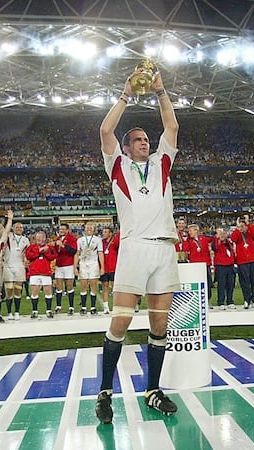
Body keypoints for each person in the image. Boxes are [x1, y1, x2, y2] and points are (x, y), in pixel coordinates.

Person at [95, 68, 179, 423]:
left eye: (148, 139)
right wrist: (126, 94)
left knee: (159, 327)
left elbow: (172, 128)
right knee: (121, 322)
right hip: (133, 247)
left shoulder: (162, 162)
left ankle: (153, 391)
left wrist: (161, 92)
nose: (146, 142)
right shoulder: (118, 166)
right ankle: (104, 393)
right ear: (127, 148)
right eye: (139, 140)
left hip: (163, 249)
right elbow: (104, 131)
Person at [74, 223, 105, 315]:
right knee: (83, 285)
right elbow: (77, 253)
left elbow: (100, 253)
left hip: (93, 264)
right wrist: (75, 267)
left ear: (94, 229)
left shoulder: (98, 240)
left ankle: (93, 307)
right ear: (84, 229)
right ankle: (83, 307)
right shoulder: (80, 240)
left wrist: (102, 267)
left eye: (91, 227)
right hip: (83, 264)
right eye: (87, 227)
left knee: (93, 285)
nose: (89, 229)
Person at [24, 230, 56, 318]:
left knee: (48, 291)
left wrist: (46, 251)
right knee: (34, 291)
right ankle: (34, 311)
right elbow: (29, 256)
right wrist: (40, 250)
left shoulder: (50, 247)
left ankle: (49, 311)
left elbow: (53, 257)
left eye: (40, 237)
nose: (38, 239)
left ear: (44, 238)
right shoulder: (31, 247)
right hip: (34, 273)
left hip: (46, 272)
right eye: (37, 237)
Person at [230, 214, 254, 309]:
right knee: (244, 282)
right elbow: (233, 238)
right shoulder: (238, 233)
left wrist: (248, 223)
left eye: (243, 225)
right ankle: (247, 300)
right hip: (242, 261)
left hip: (253, 259)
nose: (242, 227)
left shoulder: (250, 232)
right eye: (240, 226)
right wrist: (238, 226)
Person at [181, 224, 214, 306]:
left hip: (205, 265)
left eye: (191, 231)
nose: (189, 232)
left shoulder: (204, 239)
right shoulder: (189, 241)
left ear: (196, 231)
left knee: (208, 283)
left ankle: (208, 300)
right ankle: (197, 302)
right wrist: (185, 240)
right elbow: (185, 249)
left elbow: (213, 239)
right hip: (194, 266)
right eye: (189, 231)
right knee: (196, 284)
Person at [4, 222, 29, 321]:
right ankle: (9, 312)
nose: (19, 228)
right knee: (9, 291)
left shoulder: (25, 240)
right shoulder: (8, 236)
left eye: (20, 227)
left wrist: (26, 260)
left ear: (23, 229)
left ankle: (17, 312)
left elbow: (27, 254)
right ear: (13, 228)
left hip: (19, 267)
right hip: (8, 266)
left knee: (18, 291)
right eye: (17, 227)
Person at [53, 223, 78, 315]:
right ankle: (58, 306)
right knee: (58, 287)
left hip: (68, 265)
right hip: (59, 265)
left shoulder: (72, 238)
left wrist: (63, 245)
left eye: (63, 229)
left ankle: (71, 307)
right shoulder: (57, 238)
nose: (61, 231)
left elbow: (73, 251)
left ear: (67, 230)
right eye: (60, 229)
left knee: (69, 286)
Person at [212, 227, 236, 310]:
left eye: (224, 233)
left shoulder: (229, 243)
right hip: (221, 266)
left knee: (230, 285)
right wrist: (217, 237)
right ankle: (221, 302)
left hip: (230, 266)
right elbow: (215, 248)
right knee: (221, 285)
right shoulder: (216, 242)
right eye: (221, 234)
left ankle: (230, 301)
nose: (223, 235)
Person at [100, 226, 120, 315]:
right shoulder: (101, 243)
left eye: (105, 232)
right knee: (105, 288)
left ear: (110, 233)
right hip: (104, 268)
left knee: (114, 288)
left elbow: (119, 239)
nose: (103, 233)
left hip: (113, 268)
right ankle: (106, 308)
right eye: (103, 232)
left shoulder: (114, 242)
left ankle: (116, 307)